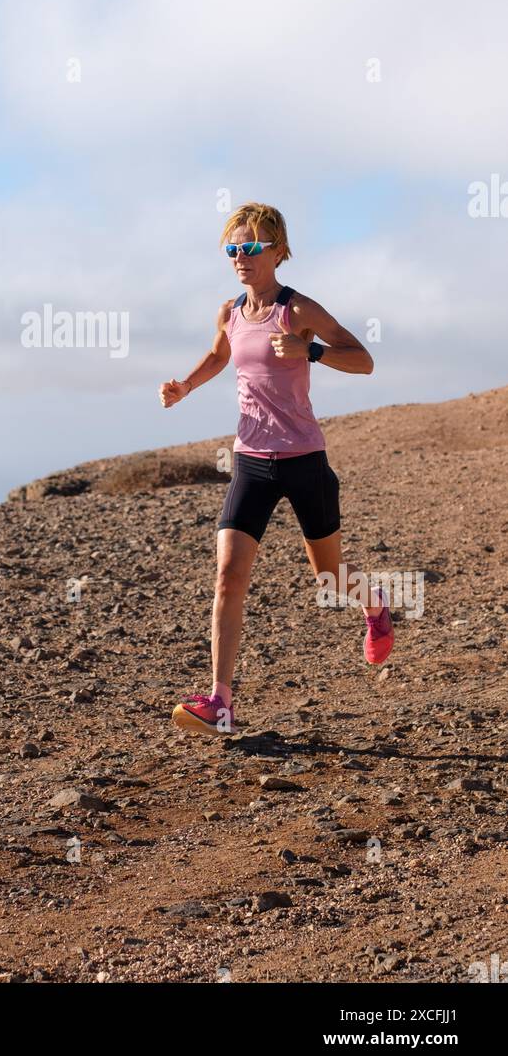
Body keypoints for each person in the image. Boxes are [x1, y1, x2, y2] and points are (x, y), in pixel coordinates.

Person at [158, 202, 393, 736]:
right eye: (233, 248)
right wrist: (185, 386)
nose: (241, 257)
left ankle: (373, 604)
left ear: (279, 252)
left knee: (330, 577)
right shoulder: (230, 312)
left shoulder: (298, 310)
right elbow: (220, 355)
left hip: (305, 460)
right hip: (251, 463)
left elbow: (363, 359)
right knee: (228, 578)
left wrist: (311, 351)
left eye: (252, 247)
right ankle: (220, 702)